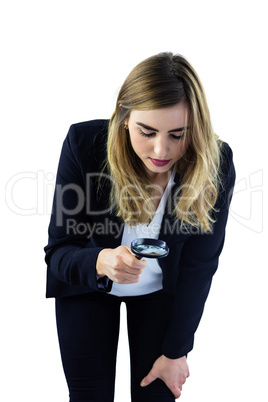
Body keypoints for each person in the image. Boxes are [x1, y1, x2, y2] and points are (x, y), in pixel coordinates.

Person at [44, 52, 235, 402]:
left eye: (179, 135)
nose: (162, 150)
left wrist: (178, 351)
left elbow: (200, 266)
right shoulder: (83, 145)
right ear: (123, 117)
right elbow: (58, 252)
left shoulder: (216, 163)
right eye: (147, 132)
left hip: (163, 294)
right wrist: (100, 260)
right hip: (87, 287)